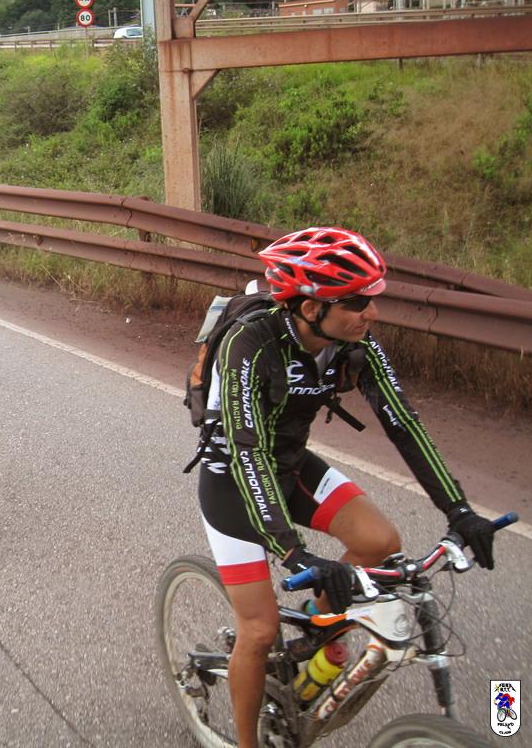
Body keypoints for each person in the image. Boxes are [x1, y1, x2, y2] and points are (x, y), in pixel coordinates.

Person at [196, 226, 499, 748]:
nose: (372, 313)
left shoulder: (354, 345)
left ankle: (314, 631)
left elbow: (404, 424)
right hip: (233, 482)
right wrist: (295, 554)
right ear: (310, 307)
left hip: (291, 465)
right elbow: (248, 452)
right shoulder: (251, 343)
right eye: (357, 302)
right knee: (260, 630)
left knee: (380, 542)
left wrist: (459, 509)